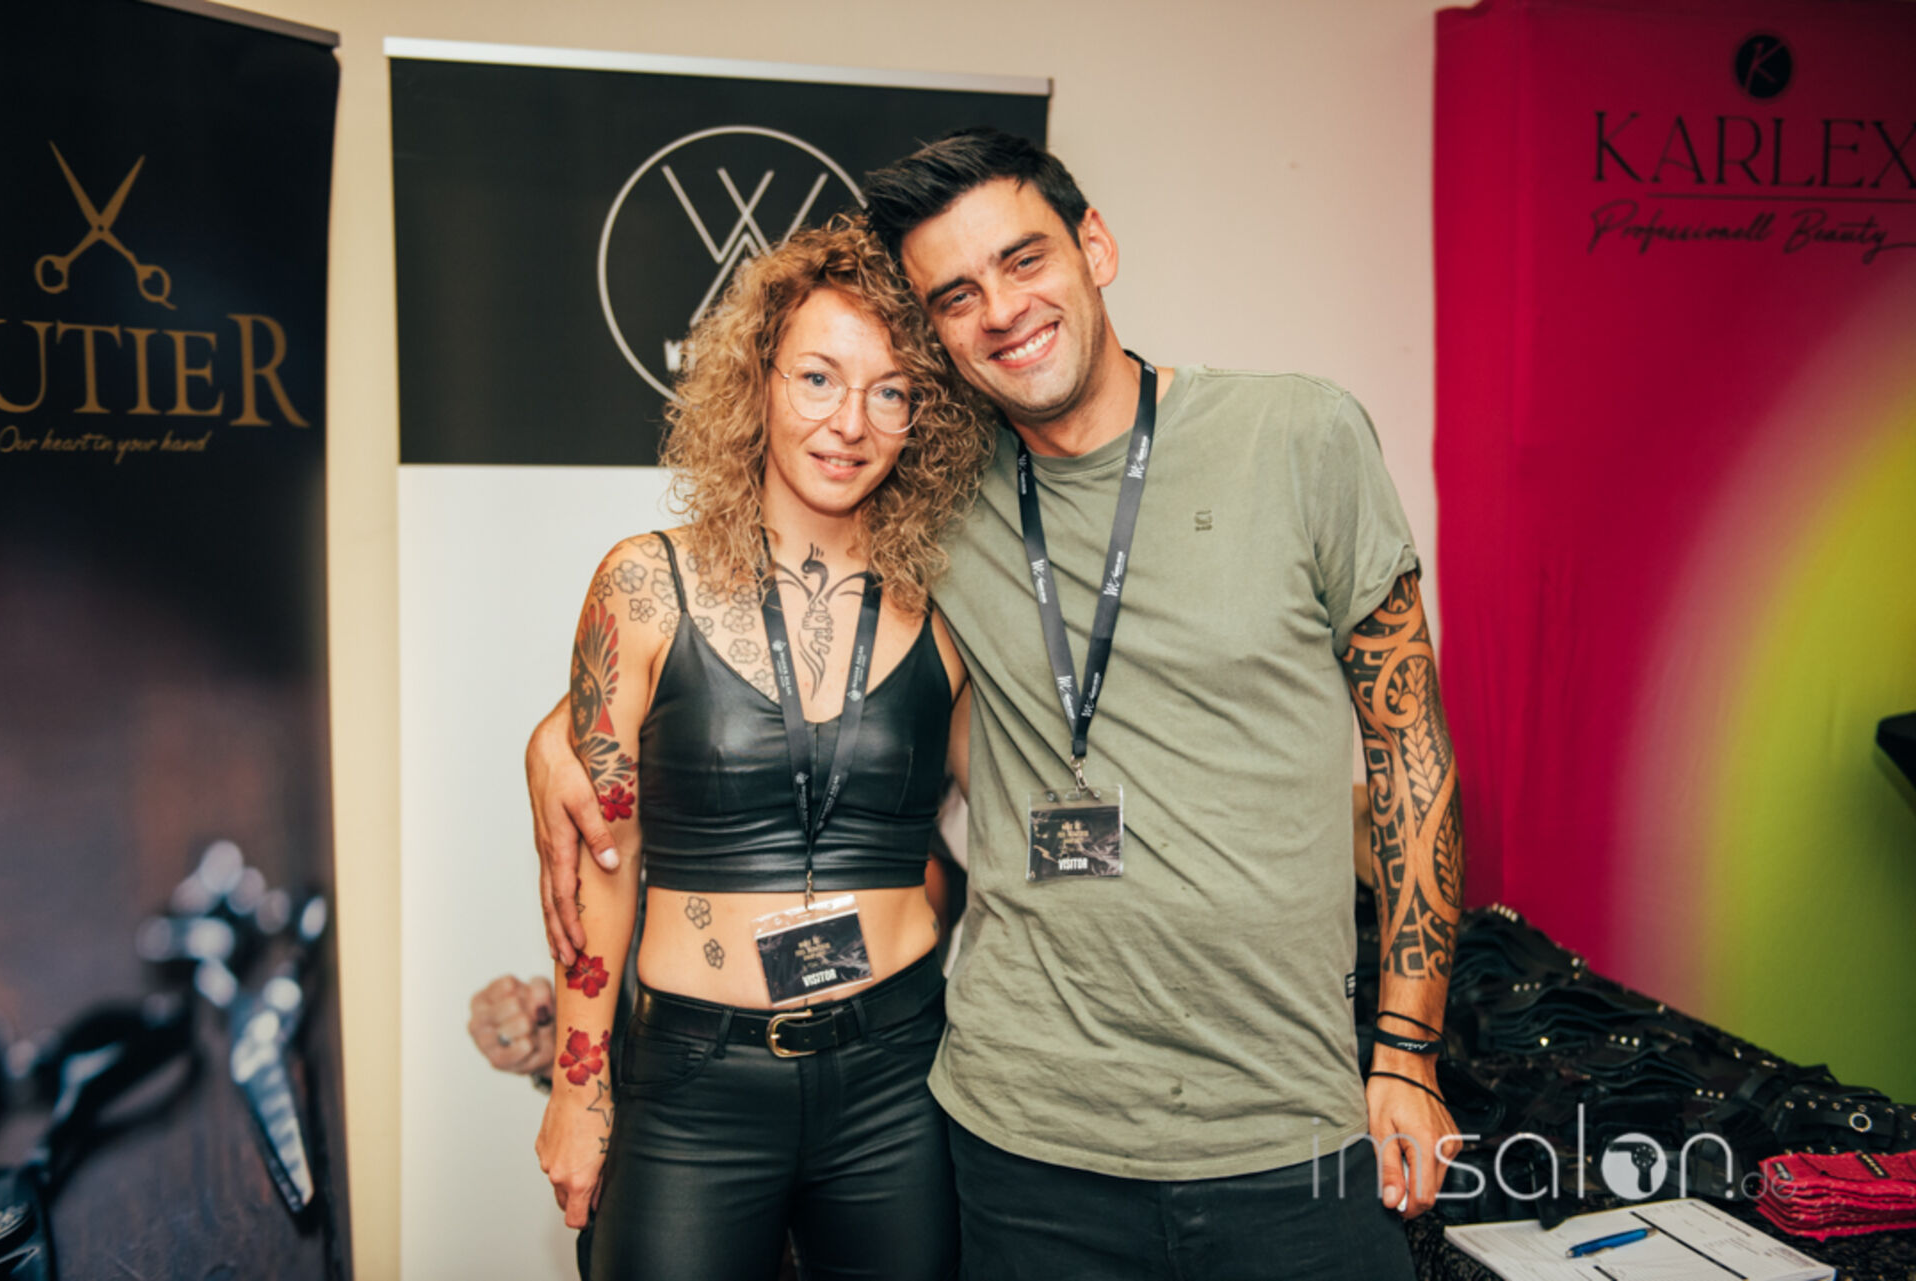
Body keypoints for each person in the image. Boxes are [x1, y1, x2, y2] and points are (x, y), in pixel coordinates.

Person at [527, 131, 1464, 1281]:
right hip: (977, 1125)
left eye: (1024, 260)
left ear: (1095, 247)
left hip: (1205, 1114)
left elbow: (1408, 743)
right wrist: (560, 738)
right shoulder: (831, 532)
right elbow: (682, 721)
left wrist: (1407, 1046)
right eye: (957, 295)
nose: (1003, 311)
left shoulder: (1272, 447)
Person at [532, 216, 988, 1281]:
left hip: (896, 1079)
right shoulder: (644, 583)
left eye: (890, 391)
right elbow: (600, 859)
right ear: (758, 382)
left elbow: (1013, 815)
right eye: (818, 379)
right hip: (694, 1087)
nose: (850, 423)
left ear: (922, 415)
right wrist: (578, 1084)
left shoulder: (954, 609)